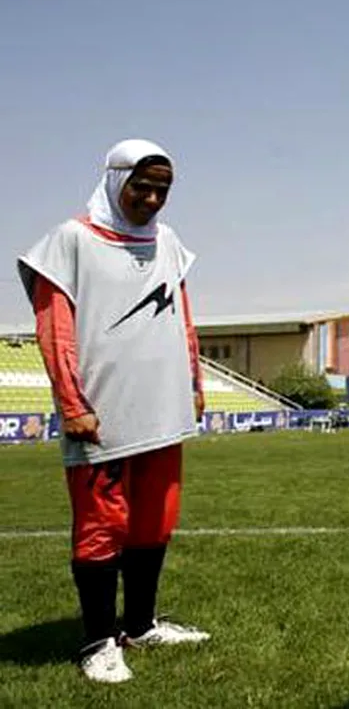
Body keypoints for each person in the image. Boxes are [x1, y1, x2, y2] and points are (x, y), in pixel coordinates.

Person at [17, 139, 211, 684]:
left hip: (162, 406)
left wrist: (193, 381)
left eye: (162, 190)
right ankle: (98, 642)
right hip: (102, 413)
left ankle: (142, 624)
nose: (151, 199)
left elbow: (183, 316)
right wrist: (72, 404)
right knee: (103, 525)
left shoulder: (168, 242)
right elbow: (55, 329)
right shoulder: (70, 241)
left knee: (154, 520)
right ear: (114, 180)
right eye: (142, 186)